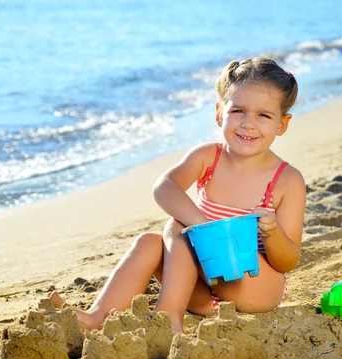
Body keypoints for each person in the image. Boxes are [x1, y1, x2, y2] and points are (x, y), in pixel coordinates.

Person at [52, 57, 306, 333]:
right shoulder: (208, 157)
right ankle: (98, 317)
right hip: (202, 293)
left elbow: (288, 261)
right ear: (220, 113)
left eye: (264, 116)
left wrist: (272, 233)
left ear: (282, 124)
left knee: (177, 227)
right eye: (238, 111)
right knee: (150, 242)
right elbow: (164, 187)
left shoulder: (287, 180)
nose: (248, 124)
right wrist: (202, 227)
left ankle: (168, 316)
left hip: (253, 287)